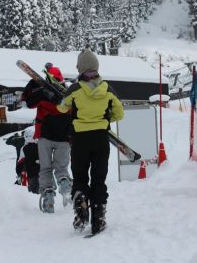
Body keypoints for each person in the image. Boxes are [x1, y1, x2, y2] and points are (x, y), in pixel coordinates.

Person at [57, 48, 124, 235]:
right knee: (99, 178)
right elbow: (120, 114)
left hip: (79, 139)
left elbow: (62, 108)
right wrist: (104, 119)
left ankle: (80, 203)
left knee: (80, 176)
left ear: (80, 69)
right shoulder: (108, 89)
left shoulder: (75, 89)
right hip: (101, 138)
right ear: (96, 67)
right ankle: (99, 219)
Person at [21, 75, 72, 214]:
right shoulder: (69, 95)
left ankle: (48, 198)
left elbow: (27, 102)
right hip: (64, 138)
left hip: (45, 137)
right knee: (62, 167)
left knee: (45, 169)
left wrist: (32, 84)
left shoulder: (43, 93)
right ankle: (65, 185)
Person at [17, 126, 40, 194]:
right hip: (42, 171)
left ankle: (32, 201)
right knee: (42, 189)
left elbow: (21, 161)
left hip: (31, 173)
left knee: (33, 190)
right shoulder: (40, 146)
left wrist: (19, 172)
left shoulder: (24, 148)